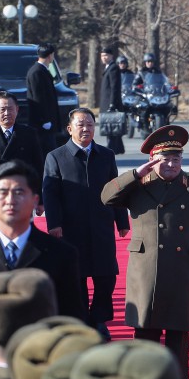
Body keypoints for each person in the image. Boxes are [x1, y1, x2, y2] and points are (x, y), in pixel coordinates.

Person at [100, 125, 189, 379]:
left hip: (181, 266)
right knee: (145, 329)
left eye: (177, 159)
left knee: (177, 332)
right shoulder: (138, 185)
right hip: (146, 267)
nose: (172, 164)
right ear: (153, 160)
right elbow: (107, 197)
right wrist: (136, 174)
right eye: (166, 159)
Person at [0, 159, 85, 320]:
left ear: (35, 201)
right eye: (3, 192)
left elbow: (70, 317)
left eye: (19, 192)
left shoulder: (61, 254)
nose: (10, 200)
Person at [42, 108, 128, 336]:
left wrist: (122, 220)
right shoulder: (56, 156)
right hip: (71, 226)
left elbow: (115, 189)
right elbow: (50, 193)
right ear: (70, 129)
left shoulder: (106, 155)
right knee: (76, 276)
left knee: (106, 275)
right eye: (80, 124)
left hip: (101, 224)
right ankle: (80, 320)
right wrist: (54, 223)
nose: (86, 129)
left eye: (90, 124)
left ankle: (99, 320)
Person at [0, 90, 44, 176]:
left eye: (10, 109)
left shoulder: (29, 134)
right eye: (2, 109)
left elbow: (38, 166)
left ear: (17, 109)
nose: (7, 113)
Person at [26, 43, 60, 155]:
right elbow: (38, 98)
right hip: (41, 124)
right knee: (46, 152)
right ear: (50, 55)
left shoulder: (42, 70)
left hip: (46, 122)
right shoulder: (37, 72)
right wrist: (44, 120)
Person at [99, 45, 125, 155]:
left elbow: (114, 87)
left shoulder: (113, 67)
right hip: (106, 101)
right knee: (111, 127)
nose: (104, 57)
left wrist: (112, 103)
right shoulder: (107, 67)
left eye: (106, 55)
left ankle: (112, 147)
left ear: (111, 56)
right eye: (102, 56)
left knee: (112, 127)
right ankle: (117, 148)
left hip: (111, 102)